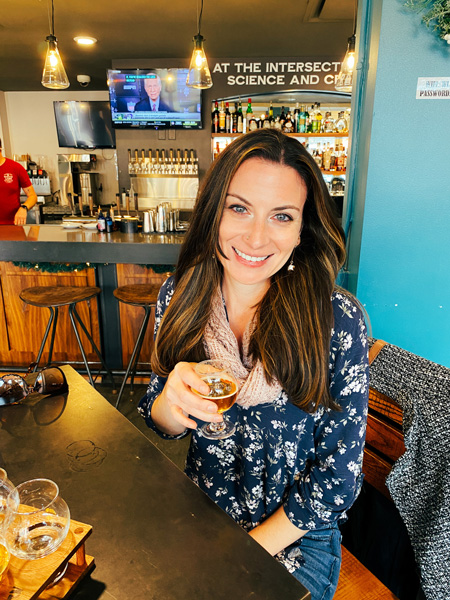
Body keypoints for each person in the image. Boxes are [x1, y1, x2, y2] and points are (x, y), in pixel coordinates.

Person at [138, 129, 369, 600]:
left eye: (281, 216)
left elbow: (337, 482)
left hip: (295, 539)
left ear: (302, 229)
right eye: (239, 208)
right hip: (199, 513)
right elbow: (160, 422)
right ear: (213, 212)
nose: (256, 237)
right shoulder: (181, 295)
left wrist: (240, 553)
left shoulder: (337, 321)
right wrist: (169, 400)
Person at [0, 139, 37, 225]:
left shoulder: (15, 167)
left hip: (13, 226)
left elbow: (32, 196)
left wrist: (24, 208)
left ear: (0, 148)